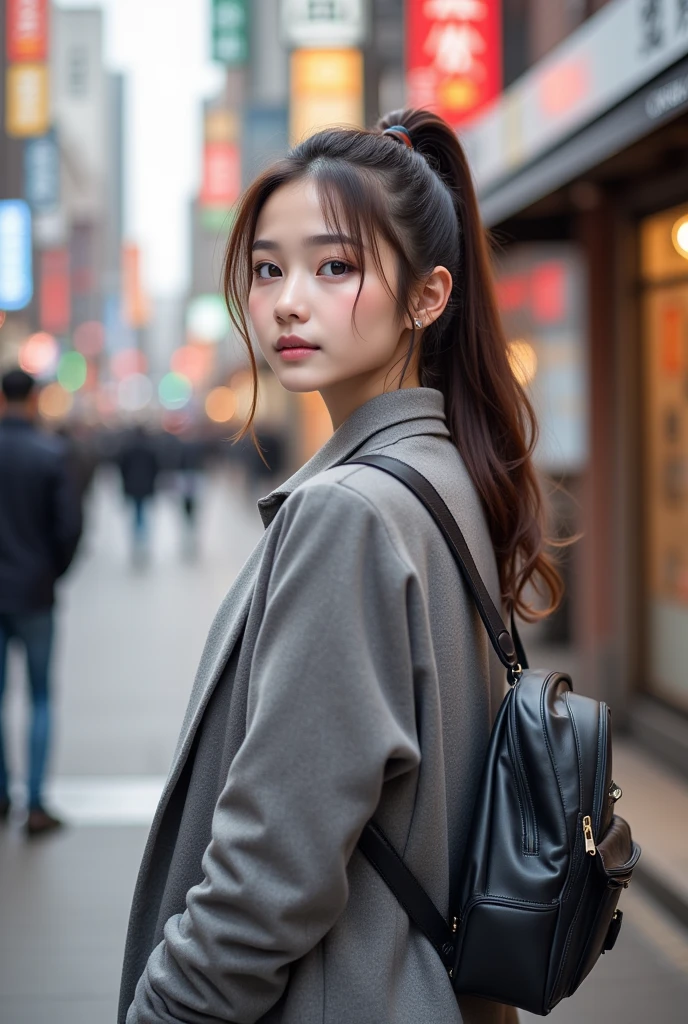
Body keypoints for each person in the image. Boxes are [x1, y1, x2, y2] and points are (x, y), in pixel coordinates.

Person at [119, 110, 562, 1024]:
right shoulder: (446, 477)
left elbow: (269, 872)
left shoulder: (349, 511)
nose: (286, 300)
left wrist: (166, 1011)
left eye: (335, 266)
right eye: (268, 268)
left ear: (428, 296)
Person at [0, 368, 82, 837]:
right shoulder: (50, 453)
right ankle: (34, 803)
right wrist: (53, 572)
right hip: (34, 592)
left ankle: (0, 791)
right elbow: (69, 527)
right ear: (33, 398)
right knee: (40, 696)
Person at [117, 424, 160, 563]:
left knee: (136, 511)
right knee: (142, 512)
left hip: (132, 486)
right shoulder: (150, 448)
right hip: (146, 486)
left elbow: (122, 468)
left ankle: (137, 537)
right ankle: (142, 538)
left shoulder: (127, 448)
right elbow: (156, 468)